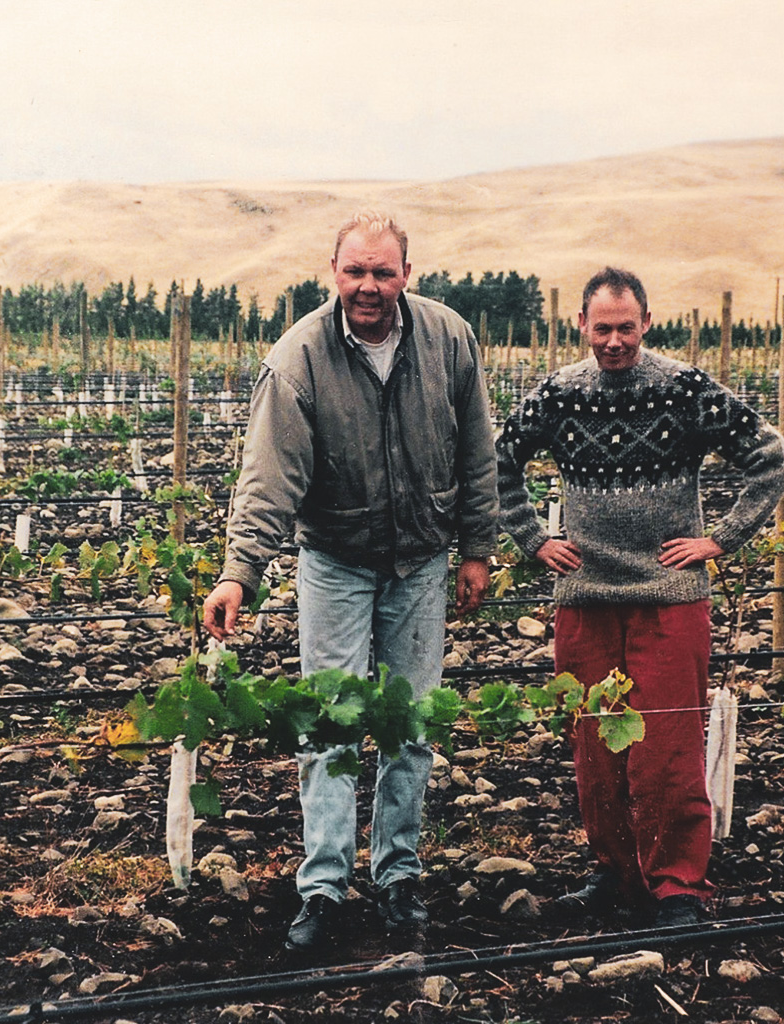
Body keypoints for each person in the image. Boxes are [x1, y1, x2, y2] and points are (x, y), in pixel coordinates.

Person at [203, 211, 498, 953]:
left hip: (423, 560)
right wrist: (242, 572)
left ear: (408, 275)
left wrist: (478, 548)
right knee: (328, 724)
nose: (369, 286)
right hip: (334, 560)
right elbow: (270, 477)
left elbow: (477, 451)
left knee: (411, 724)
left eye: (384, 272)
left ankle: (398, 876)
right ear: (332, 273)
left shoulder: (449, 338)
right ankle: (325, 886)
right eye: (355, 271)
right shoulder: (297, 357)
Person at [496, 267, 784, 928]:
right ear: (580, 326)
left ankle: (678, 886)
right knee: (595, 742)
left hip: (669, 593)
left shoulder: (684, 387)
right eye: (601, 329)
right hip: (584, 594)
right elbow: (494, 463)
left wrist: (719, 539)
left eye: (624, 328)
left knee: (667, 739)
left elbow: (774, 457)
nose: (612, 342)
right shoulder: (558, 394)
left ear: (645, 324)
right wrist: (532, 539)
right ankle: (614, 873)